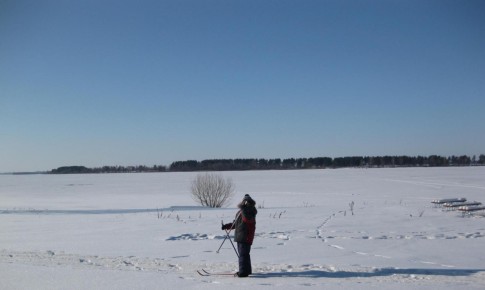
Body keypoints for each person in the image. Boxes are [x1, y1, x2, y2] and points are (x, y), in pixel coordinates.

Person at [222, 194, 258, 277]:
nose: (245, 203)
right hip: (240, 236)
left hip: (246, 236)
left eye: (247, 202)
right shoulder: (241, 211)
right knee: (244, 254)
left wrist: (244, 209)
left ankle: (243, 272)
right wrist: (227, 226)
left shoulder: (250, 211)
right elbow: (236, 223)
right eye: (244, 201)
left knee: (243, 255)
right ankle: (247, 270)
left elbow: (247, 220)